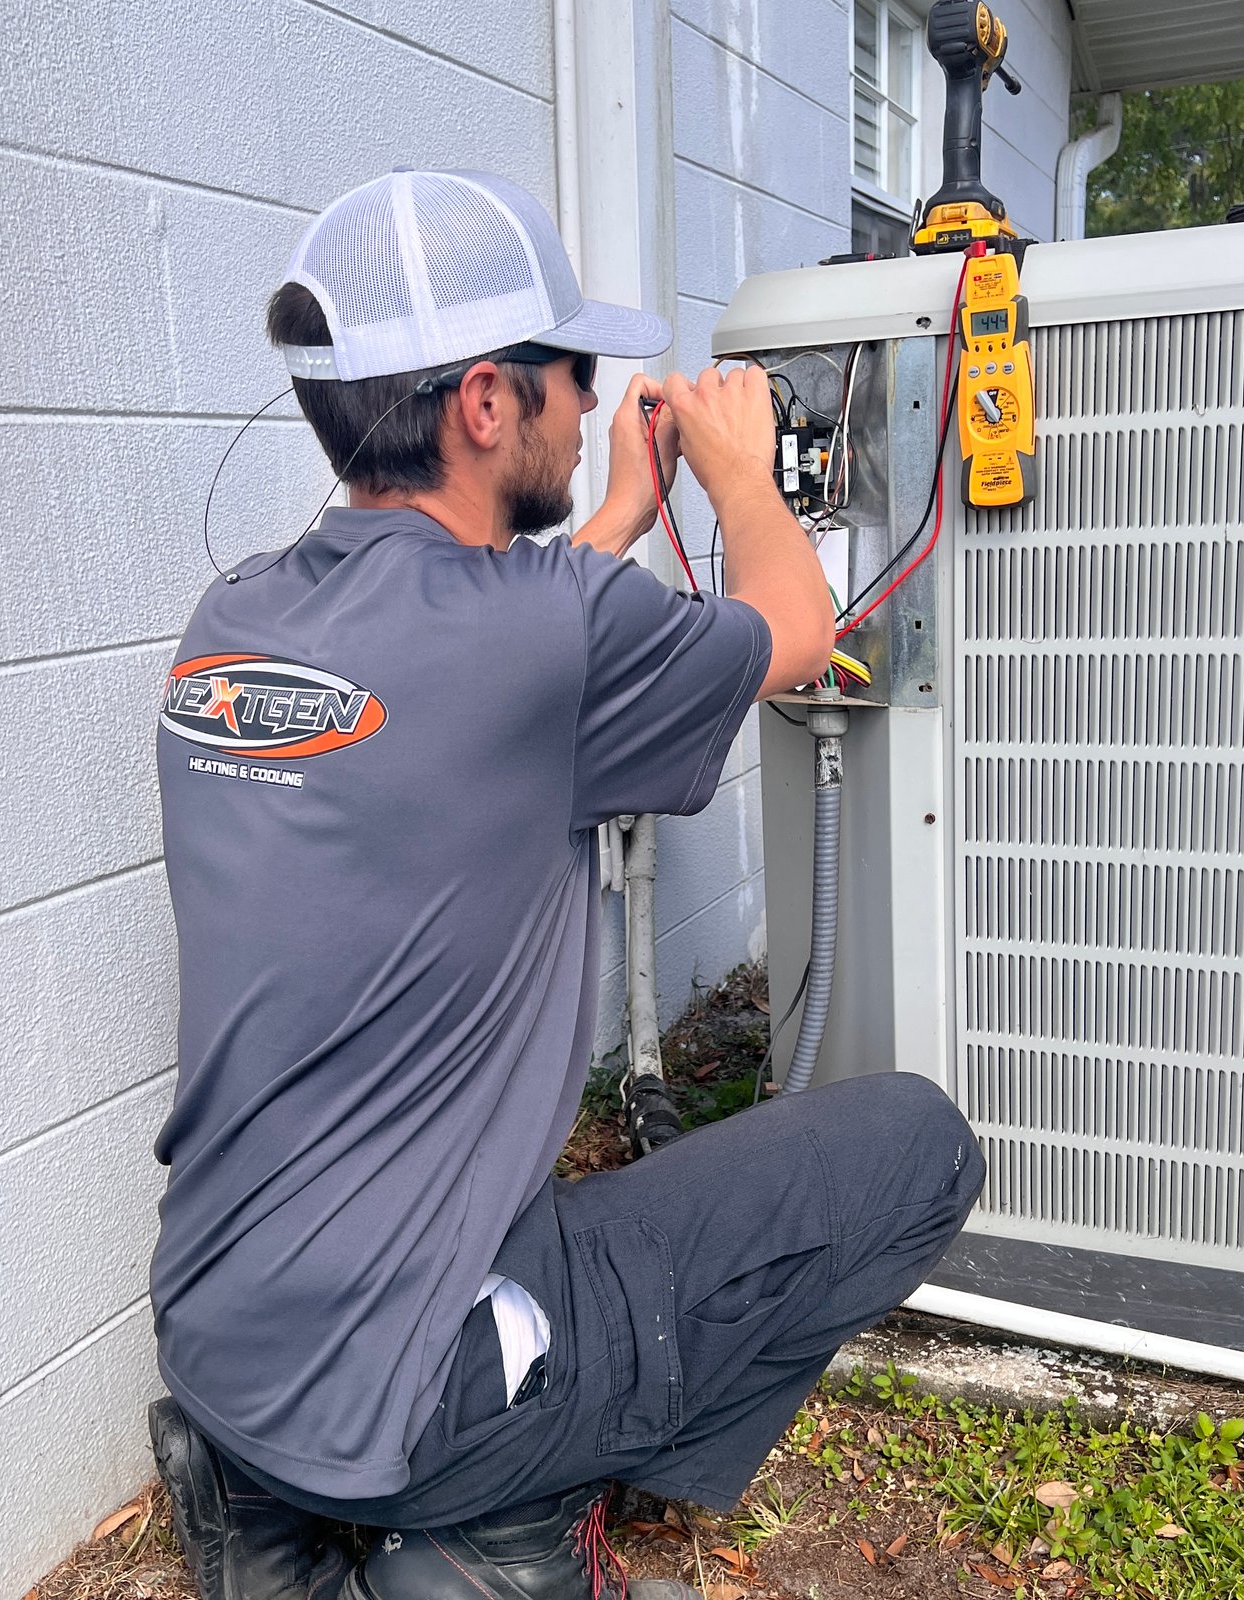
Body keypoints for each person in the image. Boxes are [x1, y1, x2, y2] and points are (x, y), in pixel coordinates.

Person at [147, 168, 984, 1600]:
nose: (592, 404)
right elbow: (795, 619)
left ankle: (257, 1520)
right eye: (571, 373)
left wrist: (608, 520)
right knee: (917, 1144)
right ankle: (491, 1539)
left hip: (217, 1332)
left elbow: (494, 672)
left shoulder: (237, 618)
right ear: (485, 402)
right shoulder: (548, 630)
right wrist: (738, 465)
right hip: (408, 1394)